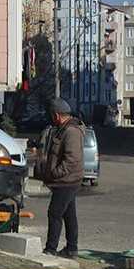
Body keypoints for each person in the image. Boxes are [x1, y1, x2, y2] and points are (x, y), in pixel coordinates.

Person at [35, 98, 84, 259]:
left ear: (57, 115)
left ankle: (51, 248)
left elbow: (72, 160)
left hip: (67, 181)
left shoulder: (71, 131)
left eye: (52, 115)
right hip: (66, 180)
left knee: (54, 213)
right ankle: (71, 249)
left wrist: (55, 173)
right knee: (69, 215)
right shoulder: (63, 129)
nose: (51, 118)